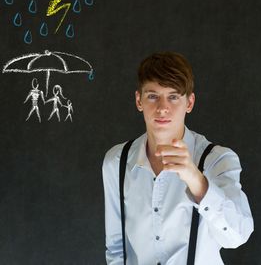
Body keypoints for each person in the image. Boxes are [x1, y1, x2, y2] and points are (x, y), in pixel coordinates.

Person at [102, 52, 253, 265]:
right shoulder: (116, 162)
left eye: (173, 96)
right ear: (139, 100)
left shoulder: (218, 160)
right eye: (153, 96)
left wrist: (197, 180)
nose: (163, 107)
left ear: (189, 103)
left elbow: (237, 236)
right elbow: (116, 247)